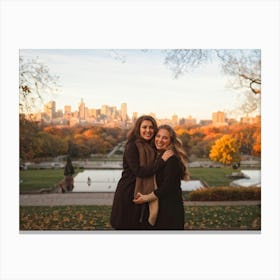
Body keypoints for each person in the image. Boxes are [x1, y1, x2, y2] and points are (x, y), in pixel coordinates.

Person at [110, 115, 173, 230]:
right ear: (138, 128)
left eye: (151, 127)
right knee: (128, 226)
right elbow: (139, 171)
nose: (148, 130)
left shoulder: (152, 146)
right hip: (129, 192)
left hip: (145, 192)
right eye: (144, 127)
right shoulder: (132, 146)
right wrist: (162, 161)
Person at [133, 124, 189, 230]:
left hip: (169, 209)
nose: (160, 140)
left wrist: (146, 197)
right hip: (162, 206)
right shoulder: (161, 156)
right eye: (158, 136)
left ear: (171, 141)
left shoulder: (171, 159)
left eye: (165, 138)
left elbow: (167, 187)